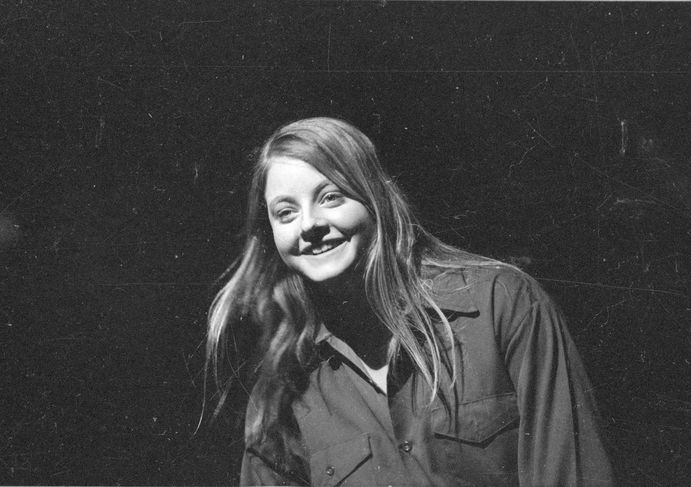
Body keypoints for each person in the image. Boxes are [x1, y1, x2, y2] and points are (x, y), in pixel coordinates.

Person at [205, 117, 615, 486]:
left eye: (330, 197)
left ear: (376, 199)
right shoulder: (283, 392)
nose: (309, 225)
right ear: (272, 235)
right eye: (285, 212)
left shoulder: (501, 305)